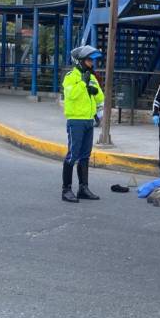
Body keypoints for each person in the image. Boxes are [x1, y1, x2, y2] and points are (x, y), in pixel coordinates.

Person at [61, 45, 105, 203]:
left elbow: (100, 97)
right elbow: (71, 95)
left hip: (88, 120)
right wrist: (82, 83)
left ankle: (83, 188)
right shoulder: (71, 76)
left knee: (85, 156)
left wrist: (94, 89)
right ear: (79, 61)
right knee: (72, 155)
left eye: (92, 60)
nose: (92, 63)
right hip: (76, 121)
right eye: (89, 60)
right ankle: (66, 190)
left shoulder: (91, 76)